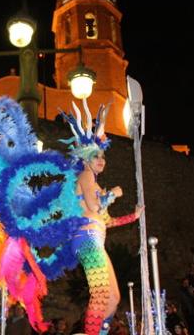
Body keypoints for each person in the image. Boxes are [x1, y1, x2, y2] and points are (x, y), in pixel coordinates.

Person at [60, 100, 142, 335]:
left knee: (114, 298)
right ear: (86, 158)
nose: (101, 159)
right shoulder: (86, 176)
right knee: (101, 293)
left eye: (103, 156)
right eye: (96, 155)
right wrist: (112, 195)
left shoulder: (95, 183)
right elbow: (96, 207)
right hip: (85, 238)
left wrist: (133, 217)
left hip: (96, 239)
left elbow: (107, 221)